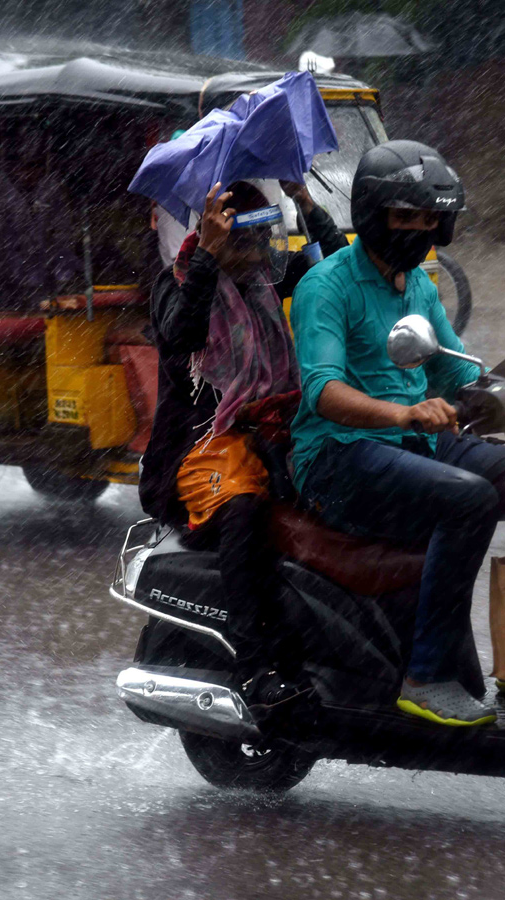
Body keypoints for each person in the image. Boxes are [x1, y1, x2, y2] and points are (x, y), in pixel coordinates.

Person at [289, 140, 505, 728]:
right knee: (468, 499)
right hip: (337, 457)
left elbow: (453, 367)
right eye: (405, 216)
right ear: (370, 214)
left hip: (411, 445)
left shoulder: (418, 286)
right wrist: (403, 414)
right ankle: (426, 676)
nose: (420, 230)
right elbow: (322, 390)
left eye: (429, 219)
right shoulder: (327, 285)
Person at [139, 177, 347, 684]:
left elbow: (340, 266)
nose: (257, 250)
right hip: (205, 443)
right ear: (215, 237)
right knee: (245, 509)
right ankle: (252, 658)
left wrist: (305, 202)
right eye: (243, 238)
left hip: (276, 426)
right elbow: (183, 332)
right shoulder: (179, 283)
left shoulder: (263, 282)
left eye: (262, 236)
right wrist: (209, 254)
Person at [0, 130, 81, 309]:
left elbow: (63, 235)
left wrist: (63, 275)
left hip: (39, 280)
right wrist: (28, 286)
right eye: (25, 166)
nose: (30, 173)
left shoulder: (50, 189)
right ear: (12, 166)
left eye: (36, 167)